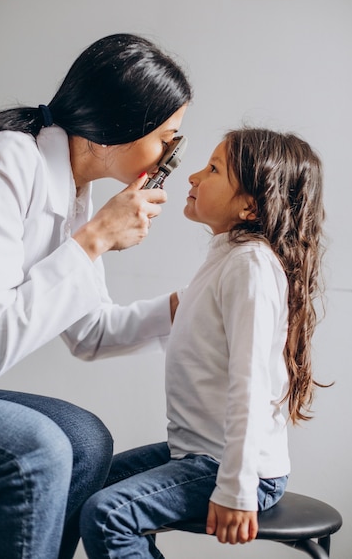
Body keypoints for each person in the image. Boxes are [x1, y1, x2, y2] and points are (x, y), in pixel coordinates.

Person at [0, 33, 192, 559]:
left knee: (85, 441)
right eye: (168, 138)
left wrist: (185, 306)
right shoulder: (10, 160)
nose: (170, 156)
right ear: (122, 124)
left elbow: (89, 334)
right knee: (36, 450)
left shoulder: (76, 192)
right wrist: (94, 242)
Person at [79, 127, 326, 558]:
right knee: (83, 487)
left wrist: (237, 487)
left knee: (108, 514)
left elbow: (251, 386)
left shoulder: (248, 265)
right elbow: (106, 332)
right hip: (198, 455)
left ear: (250, 204)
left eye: (213, 169)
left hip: (231, 468)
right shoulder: (228, 260)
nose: (192, 176)